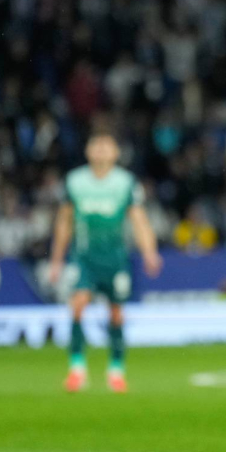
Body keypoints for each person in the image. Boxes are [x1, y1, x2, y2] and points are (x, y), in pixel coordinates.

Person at [47, 133, 163, 393]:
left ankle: (116, 370)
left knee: (116, 313)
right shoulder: (75, 182)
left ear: (115, 153)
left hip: (115, 258)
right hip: (84, 257)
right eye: (95, 145)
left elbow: (139, 220)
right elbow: (64, 222)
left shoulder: (125, 183)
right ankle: (77, 369)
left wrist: (149, 252)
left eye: (105, 146)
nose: (100, 150)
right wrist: (56, 260)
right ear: (88, 152)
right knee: (77, 305)